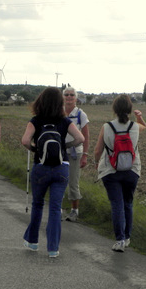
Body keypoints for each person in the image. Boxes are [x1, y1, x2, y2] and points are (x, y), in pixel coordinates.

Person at [21, 87, 84, 258]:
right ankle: (53, 248)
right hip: (61, 167)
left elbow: (25, 140)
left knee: (38, 204)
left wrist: (36, 149)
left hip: (40, 167)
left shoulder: (36, 120)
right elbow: (80, 138)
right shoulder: (64, 121)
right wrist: (65, 147)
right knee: (55, 208)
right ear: (60, 103)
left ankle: (33, 242)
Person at [94, 94, 146, 252]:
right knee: (128, 203)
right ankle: (128, 237)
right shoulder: (135, 127)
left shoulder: (107, 127)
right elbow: (144, 126)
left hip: (111, 170)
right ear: (130, 109)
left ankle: (120, 240)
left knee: (116, 204)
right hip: (132, 170)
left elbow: (98, 150)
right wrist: (140, 117)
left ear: (114, 109)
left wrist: (97, 163)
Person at [62, 86, 90, 222]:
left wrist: (85, 155)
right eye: (66, 95)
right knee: (59, 179)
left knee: (73, 182)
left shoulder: (80, 114)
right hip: (60, 152)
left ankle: (74, 210)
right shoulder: (58, 113)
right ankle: (59, 209)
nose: (69, 97)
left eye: (71, 95)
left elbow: (86, 136)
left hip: (75, 153)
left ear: (76, 98)